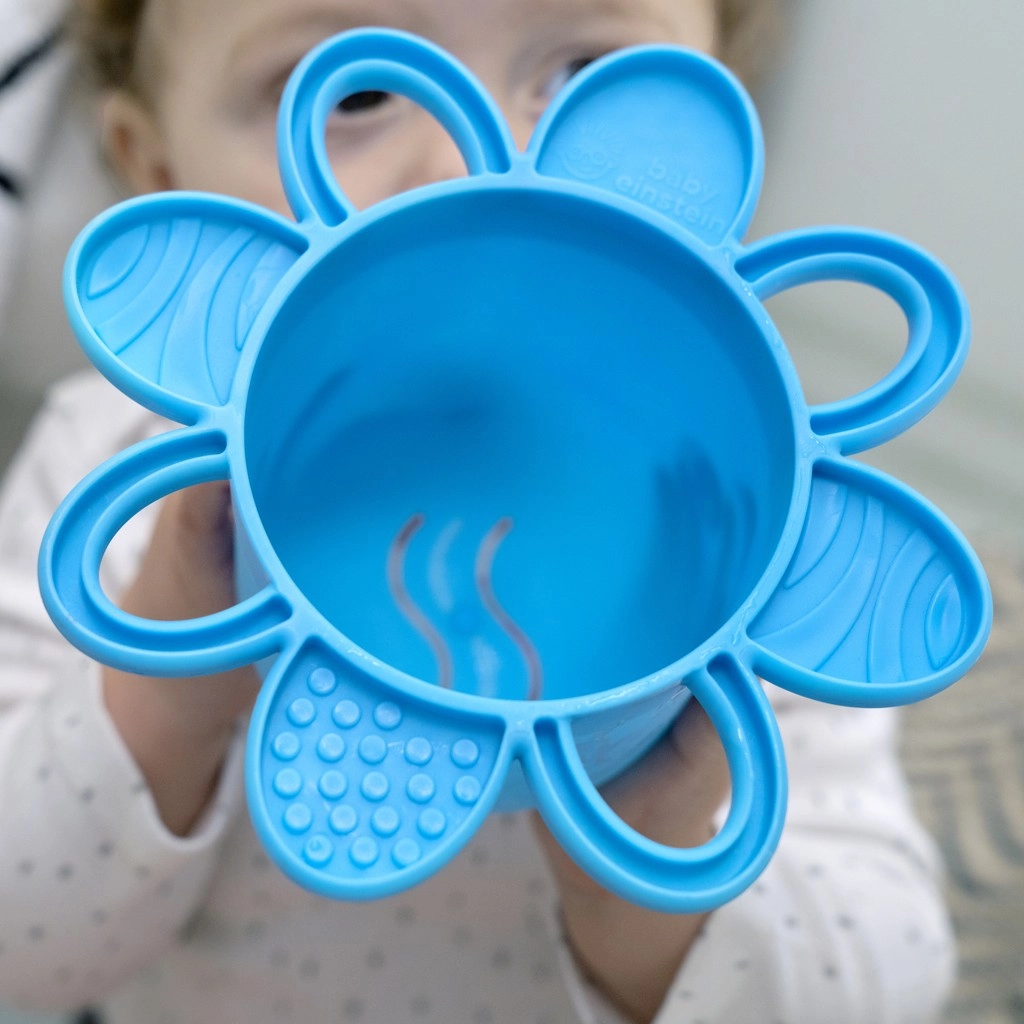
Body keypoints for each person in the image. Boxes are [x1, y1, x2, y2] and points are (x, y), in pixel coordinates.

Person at [0, 1, 957, 1022]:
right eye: (358, 93)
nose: (467, 162)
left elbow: (890, 972)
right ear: (157, 175)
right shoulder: (107, 468)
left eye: (582, 75)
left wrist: (652, 865)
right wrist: (164, 695)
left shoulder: (774, 544)